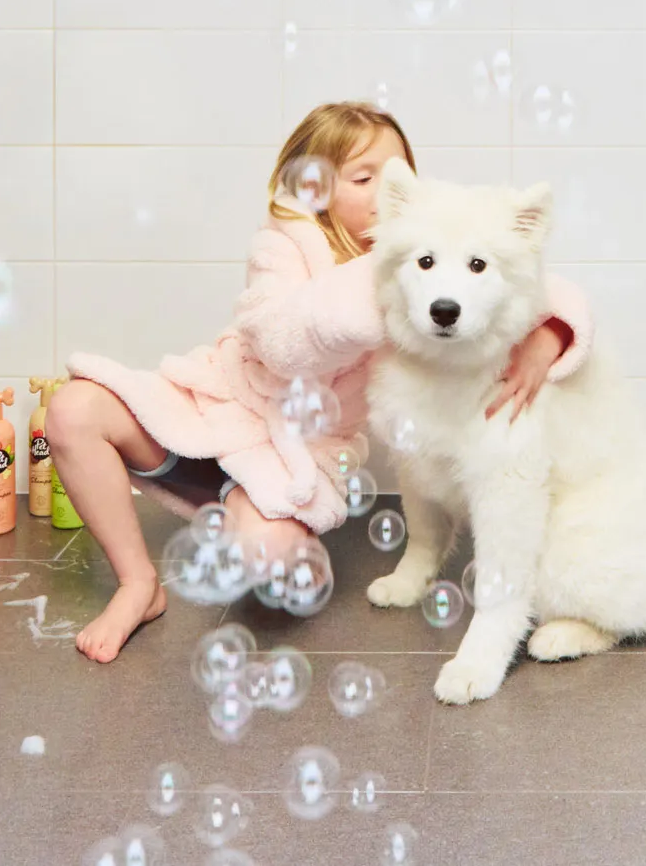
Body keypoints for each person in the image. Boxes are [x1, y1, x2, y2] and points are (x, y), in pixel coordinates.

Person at [45, 101, 595, 662]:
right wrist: (385, 273)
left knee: (270, 561)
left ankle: (252, 516)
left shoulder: (426, 254)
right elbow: (279, 339)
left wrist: (547, 337)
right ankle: (137, 585)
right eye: (364, 177)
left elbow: (535, 279)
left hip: (291, 458)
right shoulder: (288, 244)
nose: (386, 189)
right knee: (72, 411)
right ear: (316, 191)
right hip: (215, 408)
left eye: (396, 173)